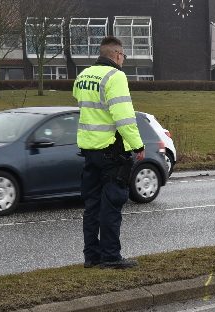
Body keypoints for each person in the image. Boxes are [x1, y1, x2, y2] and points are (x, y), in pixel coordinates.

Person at [73, 36, 145, 269]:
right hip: (110, 151)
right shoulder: (116, 77)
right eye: (123, 56)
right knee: (111, 204)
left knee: (92, 205)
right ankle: (111, 257)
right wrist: (137, 145)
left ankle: (91, 257)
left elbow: (82, 105)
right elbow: (123, 117)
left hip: (88, 150)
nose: (123, 60)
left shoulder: (83, 75)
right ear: (115, 55)